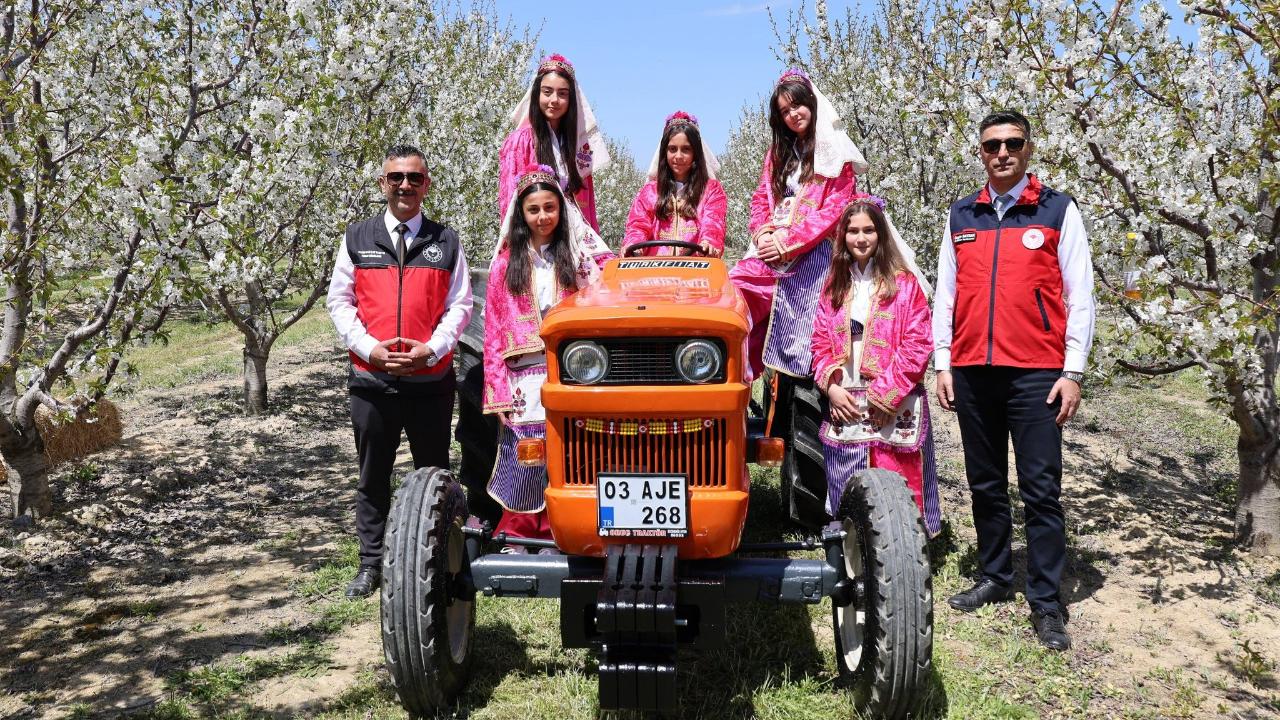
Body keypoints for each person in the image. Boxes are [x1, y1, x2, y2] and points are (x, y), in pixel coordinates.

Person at [933, 110, 1095, 651]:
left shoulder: (1057, 210)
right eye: (992, 145)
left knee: (1041, 490)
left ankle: (1046, 603)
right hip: (974, 370)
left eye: (1012, 143)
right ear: (981, 152)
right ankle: (996, 576)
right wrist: (942, 361)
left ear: (1028, 149)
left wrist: (1072, 370)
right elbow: (946, 296)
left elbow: (1080, 294)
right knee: (985, 484)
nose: (1002, 153)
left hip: (1036, 373)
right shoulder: (961, 215)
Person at [326, 144, 473, 598]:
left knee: (437, 476)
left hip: (430, 381)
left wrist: (432, 349)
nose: (405, 185)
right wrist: (370, 350)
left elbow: (460, 306)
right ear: (382, 184)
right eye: (396, 178)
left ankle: (445, 562)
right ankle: (371, 564)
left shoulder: (446, 241)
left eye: (414, 178)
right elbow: (340, 302)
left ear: (426, 185)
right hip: (373, 383)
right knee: (373, 475)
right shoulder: (357, 237)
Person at [483, 164, 615, 548]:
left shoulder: (578, 259)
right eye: (534, 209)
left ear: (562, 210)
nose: (543, 217)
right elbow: (494, 330)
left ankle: (573, 528)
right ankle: (521, 533)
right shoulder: (505, 266)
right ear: (521, 215)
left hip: (573, 370)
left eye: (550, 208)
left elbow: (607, 293)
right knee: (527, 453)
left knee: (575, 448)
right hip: (523, 376)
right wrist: (497, 391)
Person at [810, 196, 941, 537]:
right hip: (846, 389)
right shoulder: (833, 287)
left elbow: (917, 344)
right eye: (853, 231)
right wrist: (832, 388)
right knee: (848, 468)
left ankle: (903, 544)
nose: (861, 238)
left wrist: (886, 397)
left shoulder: (905, 285)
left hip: (894, 389)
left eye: (869, 230)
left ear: (881, 235)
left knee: (893, 468)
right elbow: (820, 343)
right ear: (843, 237)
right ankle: (851, 544)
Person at [728, 68, 864, 380]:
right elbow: (761, 197)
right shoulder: (778, 153)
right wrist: (763, 233)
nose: (792, 115)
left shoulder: (835, 152)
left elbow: (835, 207)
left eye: (797, 106)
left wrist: (788, 243)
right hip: (770, 244)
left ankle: (806, 380)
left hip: (814, 246)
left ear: (812, 103)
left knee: (805, 313)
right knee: (735, 289)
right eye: (784, 111)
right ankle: (736, 372)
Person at [499, 53, 610, 233]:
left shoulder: (578, 146)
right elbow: (510, 199)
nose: (554, 101)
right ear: (537, 94)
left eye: (563, 94)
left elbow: (587, 207)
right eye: (547, 92)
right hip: (534, 236)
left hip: (576, 234)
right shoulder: (521, 141)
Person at [622, 111, 727, 257]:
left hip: (695, 270)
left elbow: (713, 223)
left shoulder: (711, 190)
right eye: (672, 149)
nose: (678, 156)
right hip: (653, 271)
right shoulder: (650, 191)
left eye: (686, 149)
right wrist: (633, 244)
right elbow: (638, 225)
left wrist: (709, 243)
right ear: (665, 152)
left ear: (695, 153)